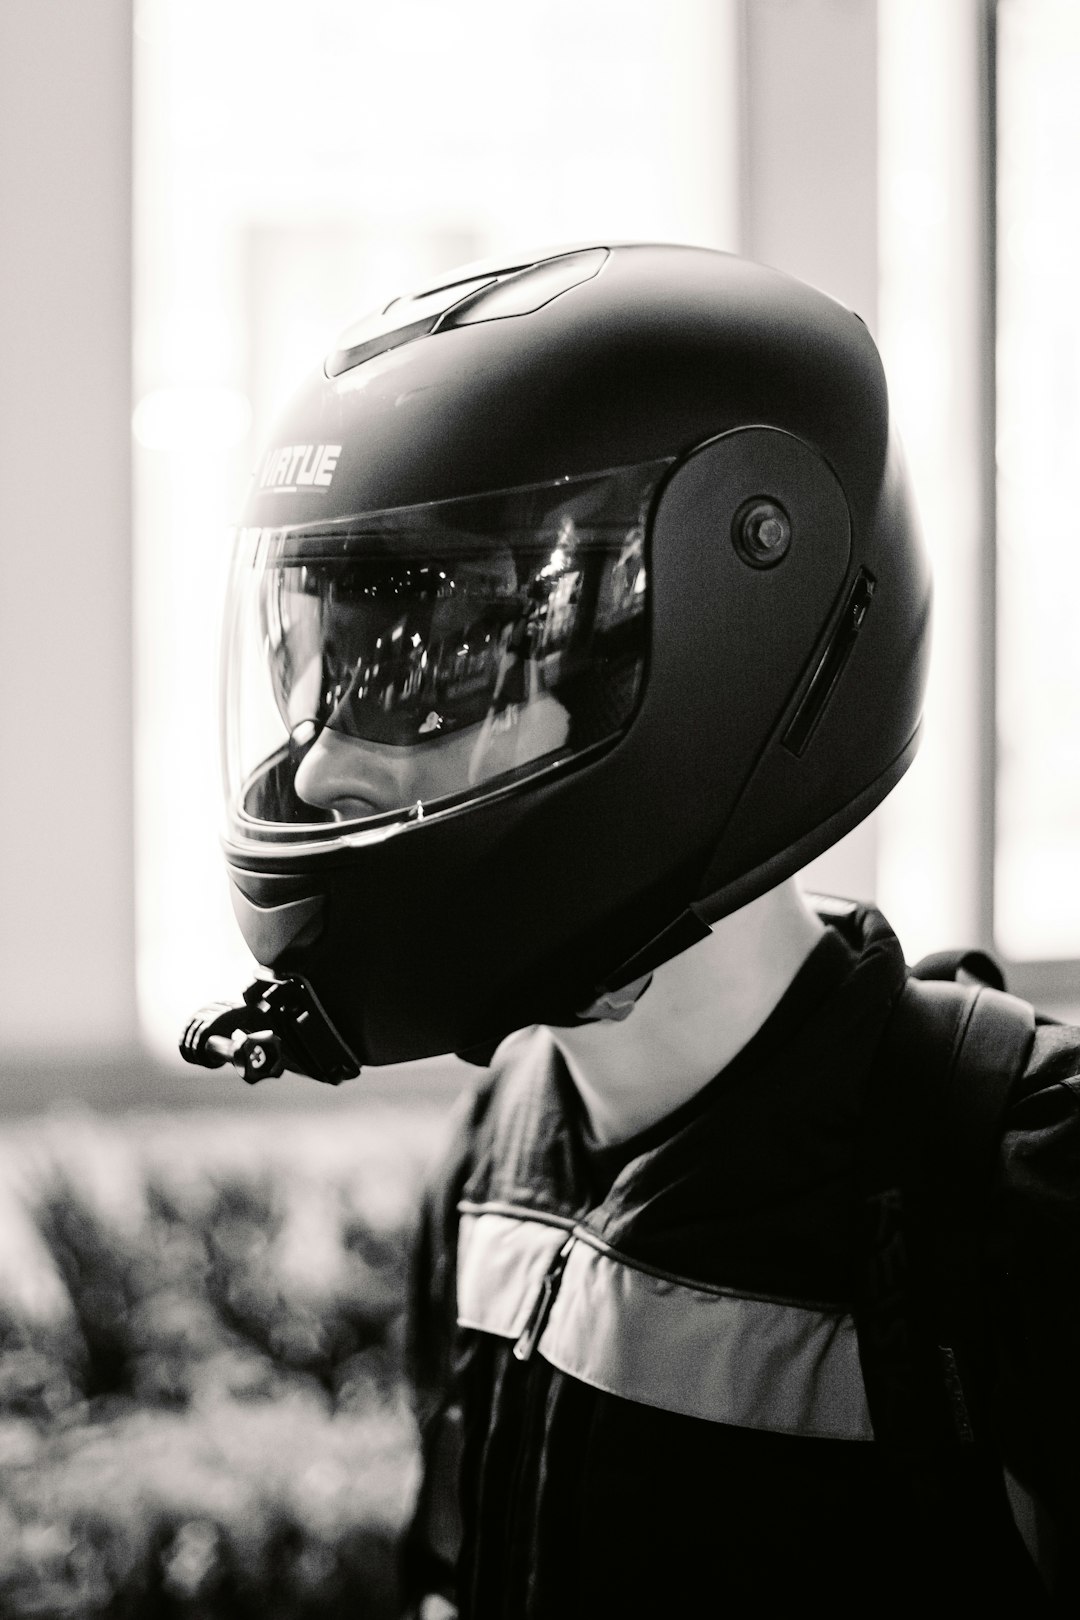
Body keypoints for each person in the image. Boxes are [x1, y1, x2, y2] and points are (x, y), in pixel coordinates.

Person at [183, 244, 1078, 1612]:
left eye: (423, 679)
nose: (314, 773)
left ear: (730, 635)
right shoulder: (498, 1148)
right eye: (320, 677)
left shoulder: (1016, 1198)